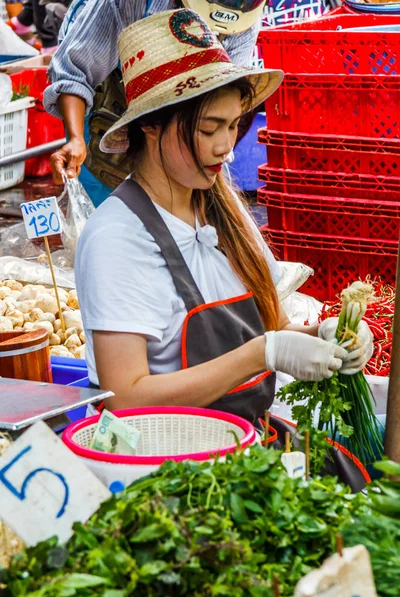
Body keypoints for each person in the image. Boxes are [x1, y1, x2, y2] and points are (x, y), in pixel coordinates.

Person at [75, 9, 374, 430]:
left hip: (248, 444)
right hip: (173, 465)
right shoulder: (116, 238)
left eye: (234, 126)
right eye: (209, 128)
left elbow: (275, 327)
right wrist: (261, 354)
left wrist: (326, 337)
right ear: (151, 126)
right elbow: (125, 397)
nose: (226, 148)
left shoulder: (225, 210)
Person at [44, 0, 271, 206]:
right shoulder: (128, 4)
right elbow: (75, 70)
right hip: (103, 83)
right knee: (106, 198)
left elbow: (225, 98)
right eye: (210, 129)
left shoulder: (244, 17)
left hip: (182, 107)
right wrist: (75, 139)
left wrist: (208, 146)